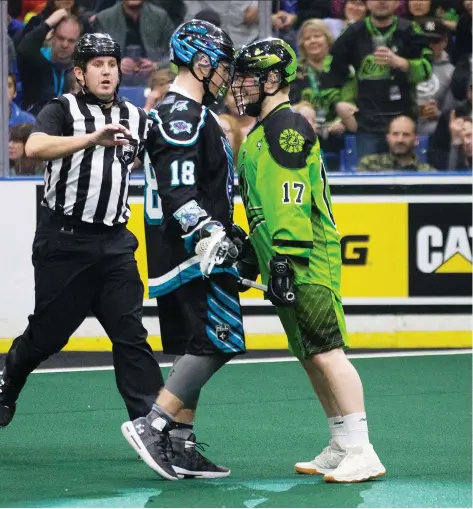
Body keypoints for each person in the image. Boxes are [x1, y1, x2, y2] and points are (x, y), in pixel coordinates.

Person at [231, 37, 386, 483]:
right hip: (282, 257)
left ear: (274, 78)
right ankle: (342, 442)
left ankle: (363, 449)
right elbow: (263, 207)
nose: (240, 85)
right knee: (309, 354)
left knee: (327, 352)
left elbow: (291, 198)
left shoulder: (287, 125)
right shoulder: (257, 135)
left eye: (248, 76)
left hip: (306, 259)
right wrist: (255, 258)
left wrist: (284, 259)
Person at [0, 33, 164, 429]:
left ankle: (154, 426)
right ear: (79, 73)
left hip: (115, 242)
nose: (106, 71)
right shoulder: (62, 109)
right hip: (64, 241)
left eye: (111, 64)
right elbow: (35, 147)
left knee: (131, 336)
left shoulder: (138, 118)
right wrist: (92, 138)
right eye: (96, 64)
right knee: (49, 336)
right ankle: (9, 377)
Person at [120, 20, 245, 481]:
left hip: (182, 251)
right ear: (202, 61)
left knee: (196, 344)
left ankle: (179, 443)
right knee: (220, 340)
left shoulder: (188, 112)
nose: (227, 76)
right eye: (223, 66)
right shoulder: (182, 114)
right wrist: (209, 233)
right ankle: (152, 425)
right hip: (192, 253)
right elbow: (179, 191)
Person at [320, 0, 433, 159]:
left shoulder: (409, 30)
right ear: (367, 3)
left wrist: (403, 63)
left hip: (404, 120)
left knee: (408, 179)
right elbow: (329, 71)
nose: (381, 1)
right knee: (366, 180)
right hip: (366, 123)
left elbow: (427, 67)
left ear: (397, 3)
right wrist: (338, 104)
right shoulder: (352, 33)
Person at [17, 10, 82, 115]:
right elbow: (24, 49)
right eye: (61, 38)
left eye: (71, 41)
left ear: (77, 42)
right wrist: (48, 23)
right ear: (52, 36)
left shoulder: (81, 70)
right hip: (36, 124)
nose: (65, 45)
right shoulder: (38, 61)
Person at [357, 115, 437, 171]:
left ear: (415, 140)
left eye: (406, 135)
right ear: (388, 138)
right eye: (395, 134)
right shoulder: (369, 164)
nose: (400, 140)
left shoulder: (427, 172)